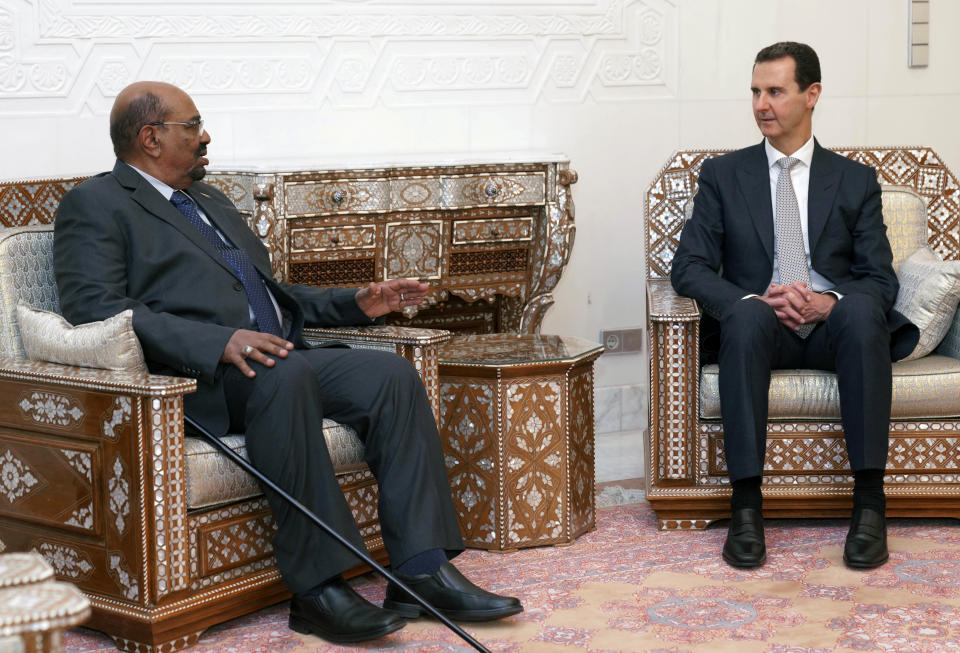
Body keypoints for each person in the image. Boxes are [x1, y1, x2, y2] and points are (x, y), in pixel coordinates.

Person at [53, 81, 522, 644]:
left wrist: (357, 303)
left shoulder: (210, 200)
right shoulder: (96, 203)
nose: (206, 137)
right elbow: (93, 309)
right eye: (193, 125)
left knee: (388, 376)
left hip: (278, 364)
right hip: (198, 381)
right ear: (151, 138)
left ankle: (420, 570)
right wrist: (218, 341)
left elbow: (269, 293)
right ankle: (319, 590)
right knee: (289, 370)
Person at [671, 42, 918, 570]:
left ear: (812, 95)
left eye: (775, 91)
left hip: (834, 331)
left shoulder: (854, 180)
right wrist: (750, 298)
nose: (762, 104)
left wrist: (829, 301)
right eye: (756, 92)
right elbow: (688, 266)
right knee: (744, 313)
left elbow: (879, 278)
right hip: (759, 329)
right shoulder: (723, 175)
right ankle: (745, 508)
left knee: (857, 308)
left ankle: (870, 506)